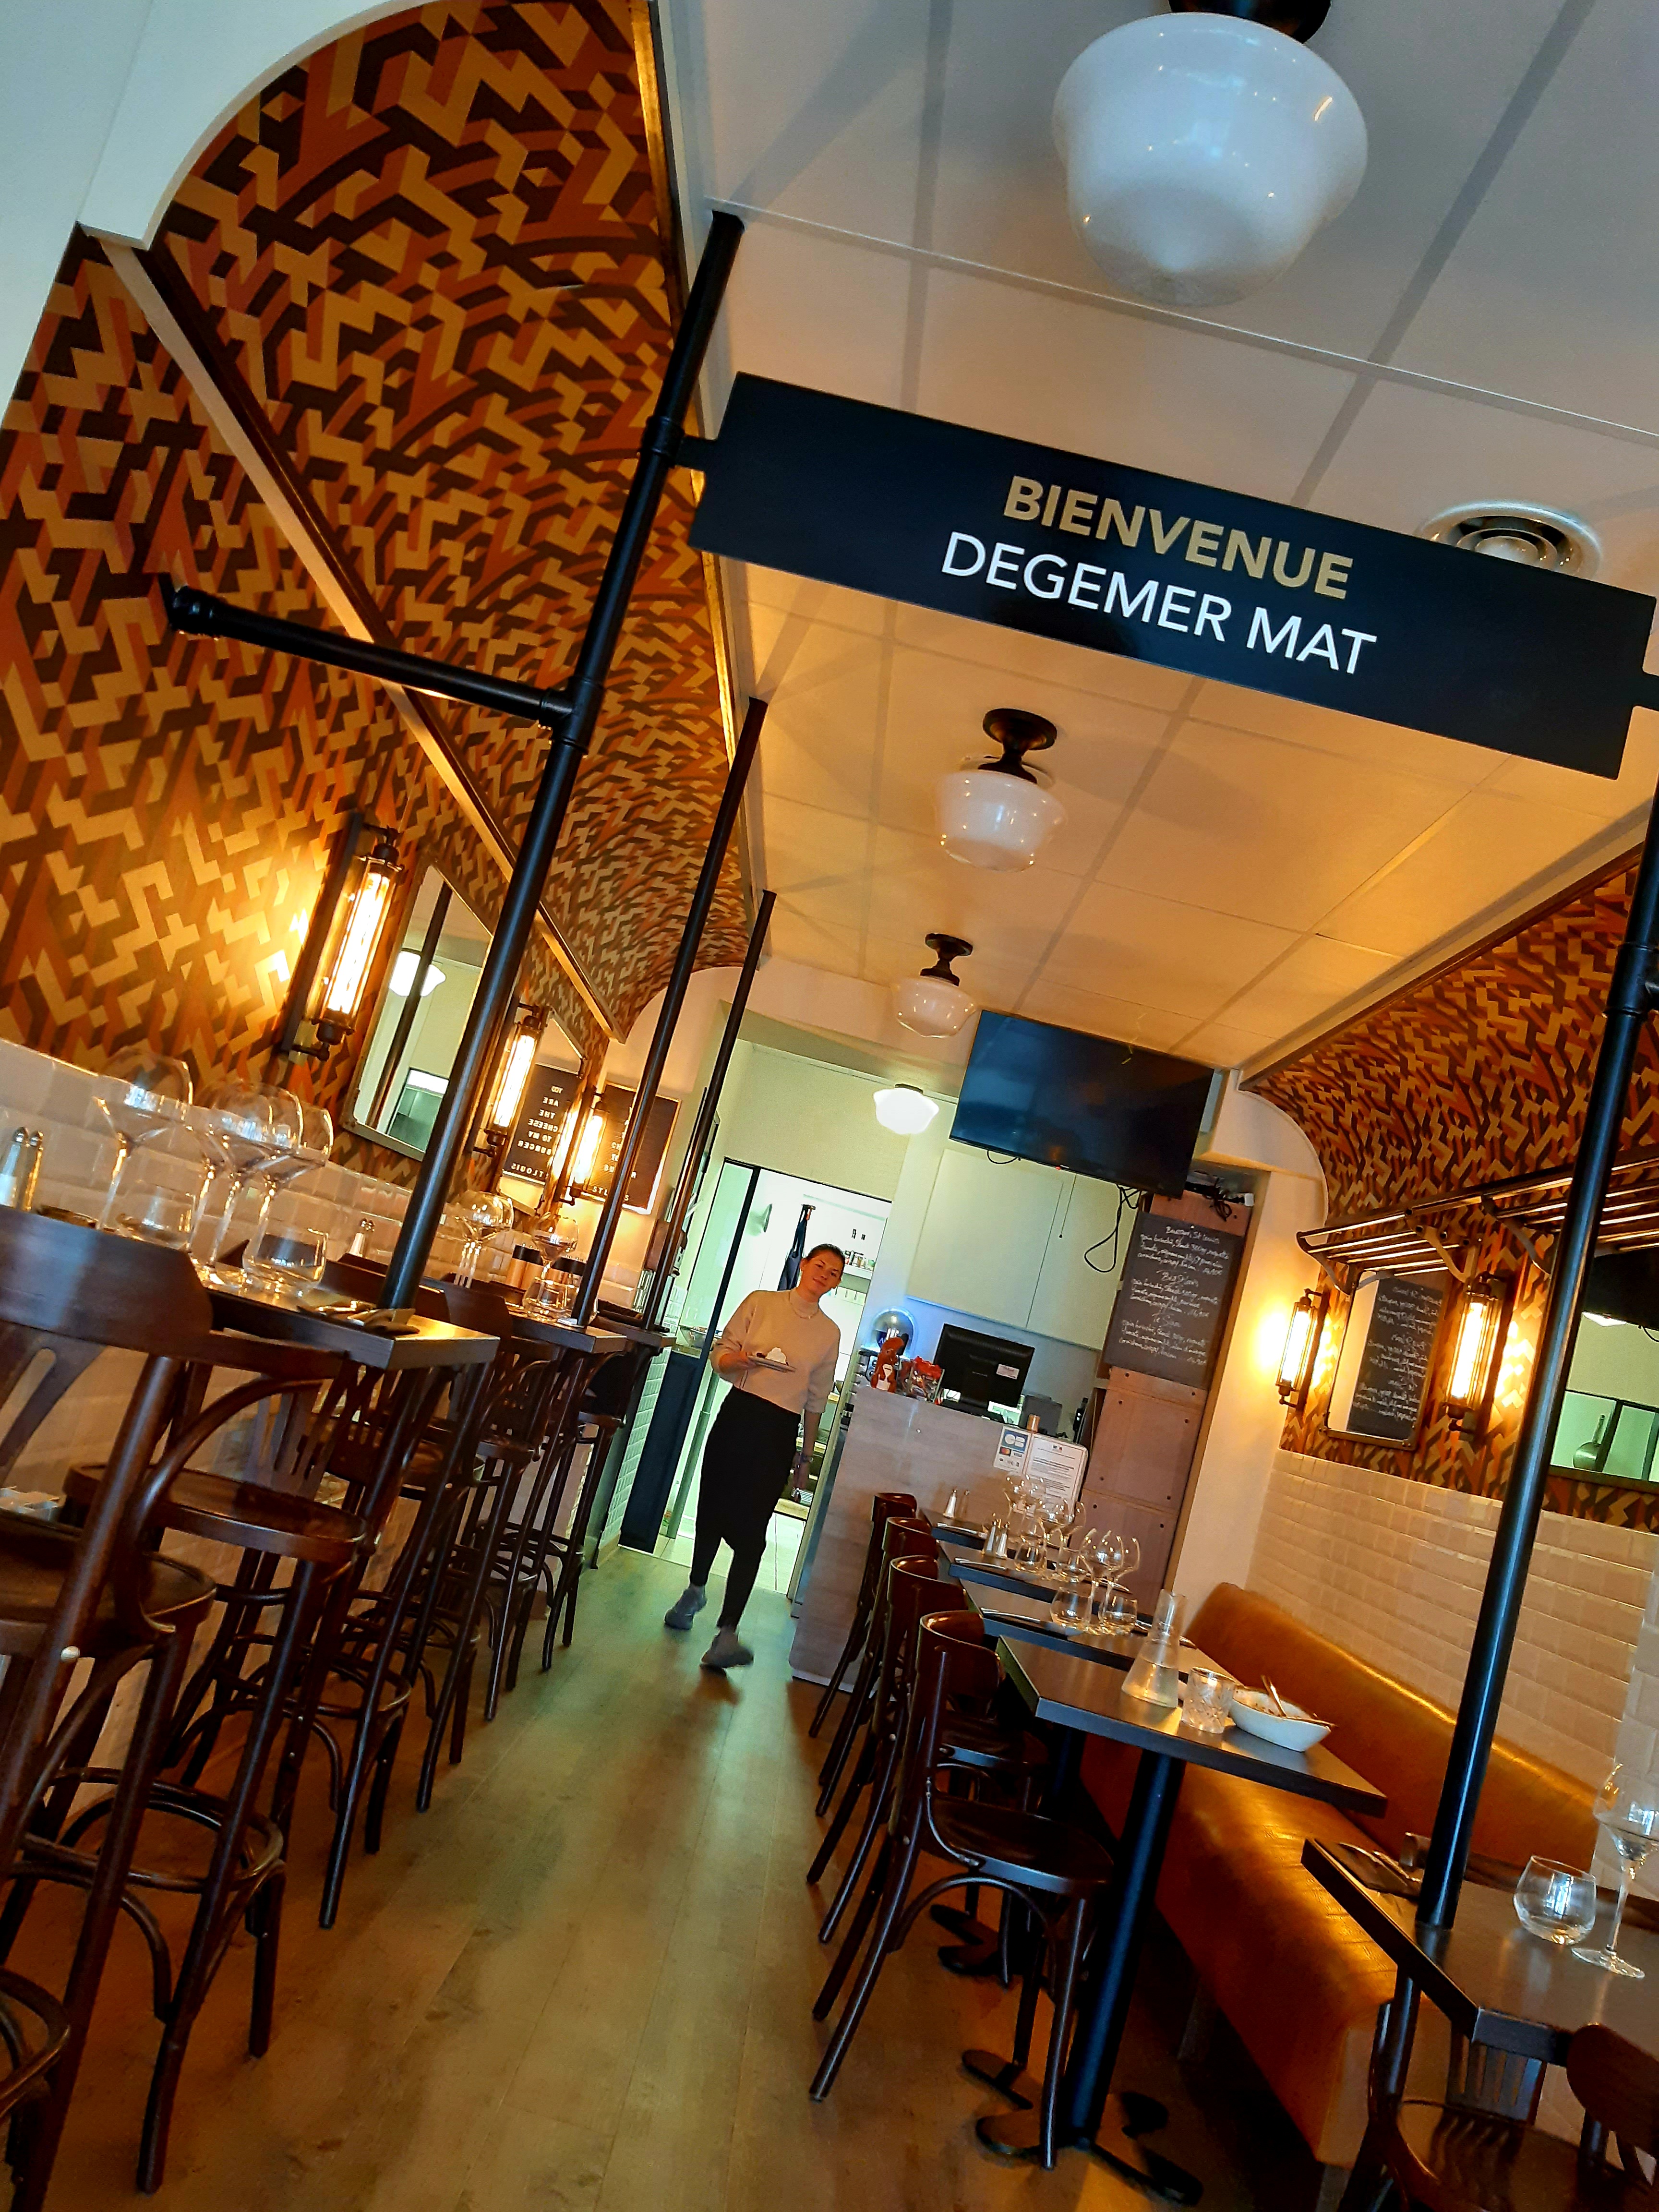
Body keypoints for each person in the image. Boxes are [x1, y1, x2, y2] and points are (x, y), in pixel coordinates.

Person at [665, 1241, 845, 1669]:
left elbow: (816, 1400)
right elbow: (721, 1356)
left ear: (836, 1284)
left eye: (834, 1273)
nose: (824, 1275)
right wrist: (742, 1361)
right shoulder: (761, 1302)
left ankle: (727, 1633)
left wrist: (805, 1458)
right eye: (820, 1265)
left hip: (779, 1432)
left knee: (753, 1534)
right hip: (738, 1416)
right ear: (804, 1265)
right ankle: (695, 1589)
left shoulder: (829, 1333)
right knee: (711, 1510)